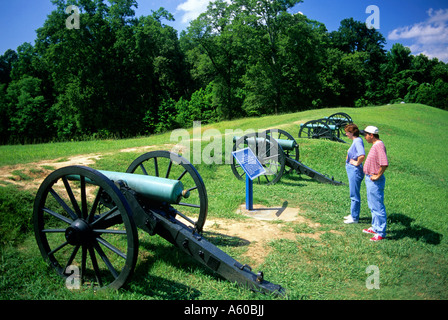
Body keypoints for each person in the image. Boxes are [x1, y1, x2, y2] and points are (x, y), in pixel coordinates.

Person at [360, 126, 389, 241]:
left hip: (375, 180)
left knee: (377, 206)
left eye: (365, 135)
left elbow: (384, 163)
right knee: (372, 205)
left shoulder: (379, 145)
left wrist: (378, 175)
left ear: (371, 135)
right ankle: (375, 226)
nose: (365, 137)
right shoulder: (375, 145)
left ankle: (381, 232)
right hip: (369, 178)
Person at [343, 124, 365, 224]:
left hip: (355, 170)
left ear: (352, 133)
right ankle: (353, 214)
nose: (346, 134)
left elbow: (362, 155)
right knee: (353, 193)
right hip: (352, 169)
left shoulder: (357, 141)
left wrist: (356, 163)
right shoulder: (356, 141)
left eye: (347, 132)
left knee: (354, 194)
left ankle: (354, 218)